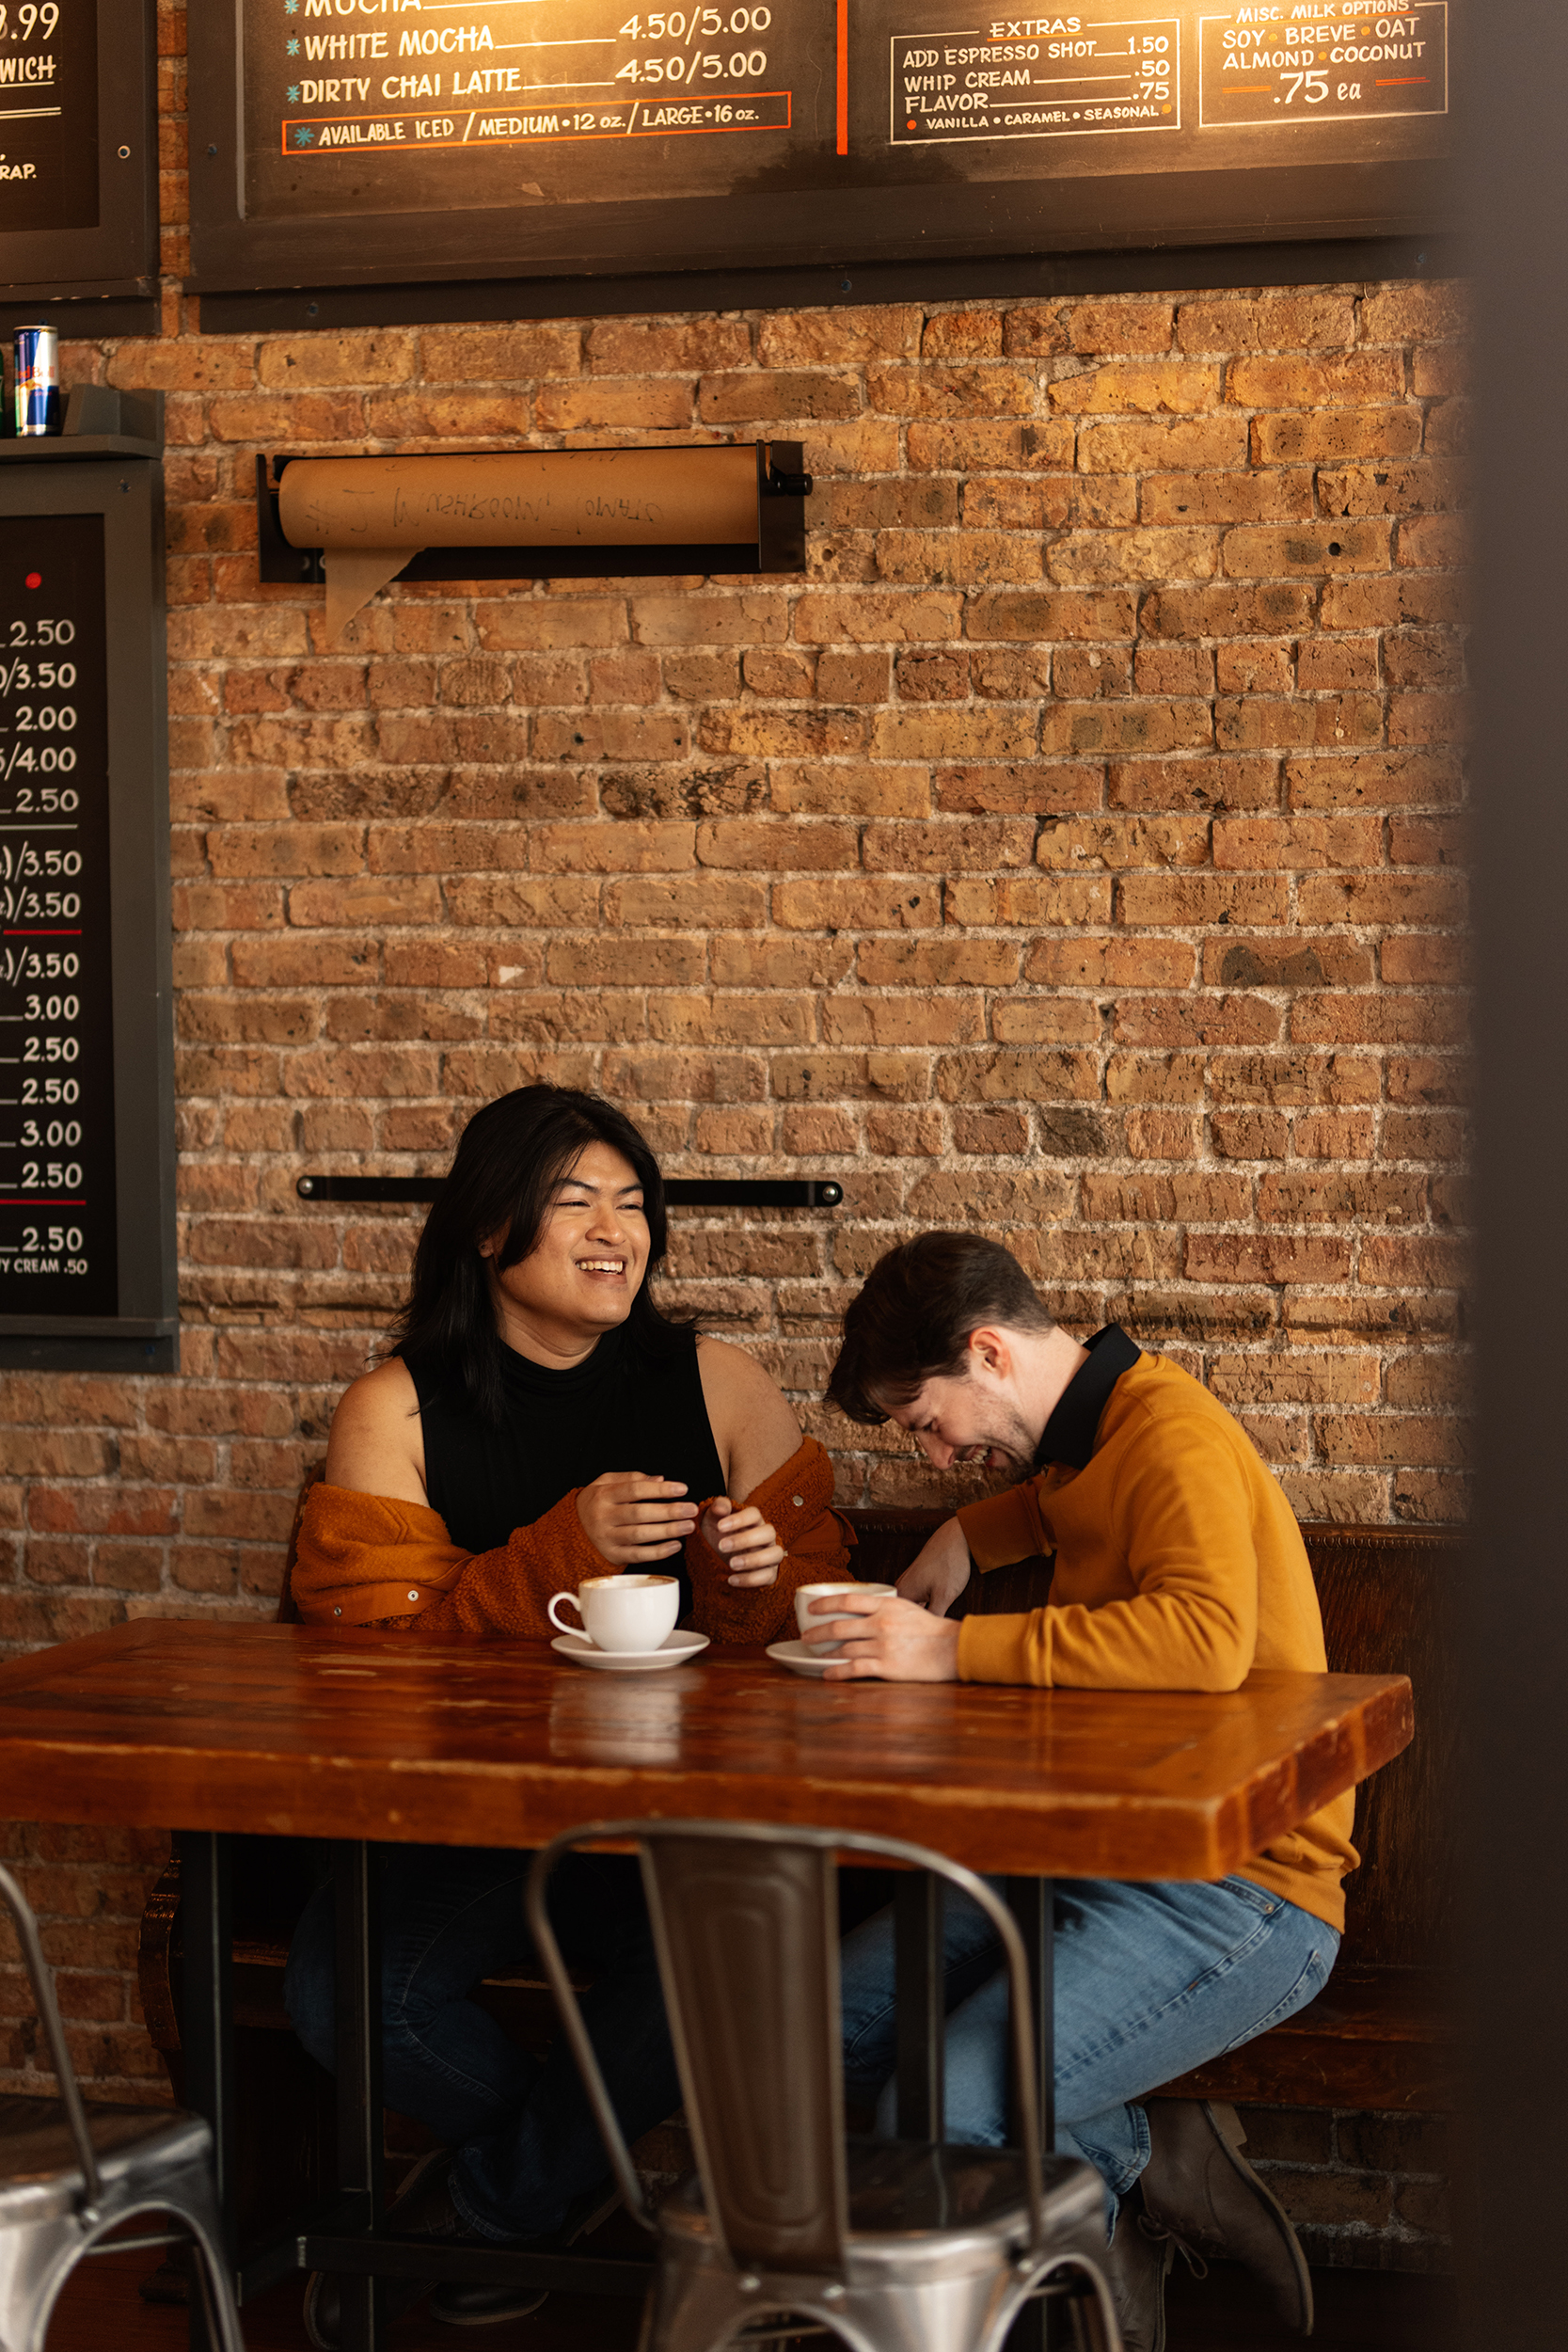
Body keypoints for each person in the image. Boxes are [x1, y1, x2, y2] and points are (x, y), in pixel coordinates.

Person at [283, 1084, 851, 2346]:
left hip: (682, 1812)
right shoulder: (395, 1406)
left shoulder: (716, 1381)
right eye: (575, 1199)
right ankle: (573, 2183)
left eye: (634, 1203)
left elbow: (827, 1618)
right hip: (469, 1814)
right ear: (490, 1232)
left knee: (716, 1970)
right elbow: (358, 1664)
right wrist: (557, 1549)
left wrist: (763, 1582)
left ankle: (500, 2205)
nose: (616, 1229)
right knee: (344, 2001)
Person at [814, 1232, 1354, 2352]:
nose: (934, 1452)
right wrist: (967, 1533)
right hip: (1091, 1853)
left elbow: (1201, 1641)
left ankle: (1087, 2269)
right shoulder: (1084, 1439)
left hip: (1241, 1887)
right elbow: (1064, 1506)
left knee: (948, 2102)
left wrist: (941, 1654)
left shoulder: (1169, 1433)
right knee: (833, 2025)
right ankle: (1144, 2155)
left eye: (927, 1422)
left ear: (987, 1352)